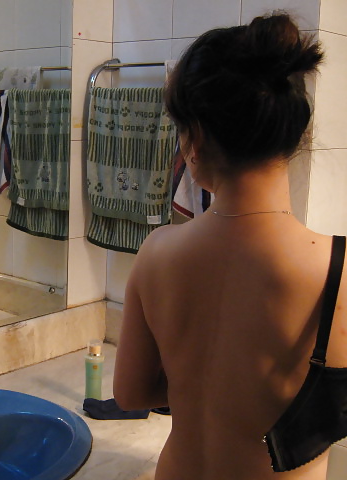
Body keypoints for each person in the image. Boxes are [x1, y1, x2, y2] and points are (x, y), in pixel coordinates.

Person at [113, 13, 345, 480]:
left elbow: (131, 394)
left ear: (195, 138)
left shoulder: (157, 252)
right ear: (294, 134)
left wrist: (200, 386)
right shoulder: (335, 269)